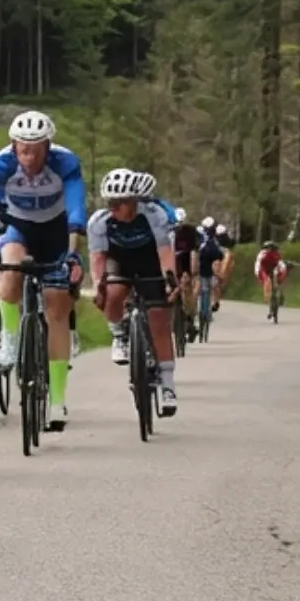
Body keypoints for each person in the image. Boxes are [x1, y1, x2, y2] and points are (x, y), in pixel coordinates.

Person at [0, 110, 86, 431]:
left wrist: (72, 254)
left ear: (48, 146)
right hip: (18, 228)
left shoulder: (65, 163)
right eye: (23, 148)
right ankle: (10, 339)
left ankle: (57, 401)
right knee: (11, 265)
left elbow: (76, 210)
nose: (29, 155)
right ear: (13, 146)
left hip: (55, 232)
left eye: (36, 148)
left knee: (57, 307)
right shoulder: (1, 165)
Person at [88, 167, 180, 418]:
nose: (114, 208)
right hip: (119, 260)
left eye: (119, 203)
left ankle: (168, 385)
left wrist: (170, 280)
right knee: (113, 292)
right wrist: (98, 285)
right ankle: (120, 334)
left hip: (150, 260)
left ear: (134, 202)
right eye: (110, 203)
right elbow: (98, 258)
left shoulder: (154, 214)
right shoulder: (100, 221)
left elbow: (165, 252)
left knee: (159, 319)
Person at [170, 206, 202, 339]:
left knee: (187, 286)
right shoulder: (165, 229)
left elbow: (195, 250)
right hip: (170, 259)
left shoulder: (190, 231)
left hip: (186, 260)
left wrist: (192, 272)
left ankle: (190, 315)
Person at [197, 219, 225, 318]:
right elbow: (220, 255)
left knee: (205, 289)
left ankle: (203, 310)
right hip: (210, 269)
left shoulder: (201, 240)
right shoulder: (214, 242)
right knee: (209, 289)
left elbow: (198, 253)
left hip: (203, 268)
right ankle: (206, 311)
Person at [255, 240, 289, 310]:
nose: (269, 250)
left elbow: (281, 265)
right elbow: (258, 266)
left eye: (272, 249)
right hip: (263, 268)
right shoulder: (262, 254)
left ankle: (280, 295)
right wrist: (260, 276)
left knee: (280, 278)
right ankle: (268, 297)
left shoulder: (277, 255)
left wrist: (282, 272)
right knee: (267, 280)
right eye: (267, 248)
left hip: (273, 268)